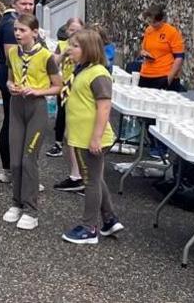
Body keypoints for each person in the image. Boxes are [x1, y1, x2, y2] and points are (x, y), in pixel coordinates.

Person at [61, 28, 124, 245]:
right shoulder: (83, 69)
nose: (71, 49)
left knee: (90, 181)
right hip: (81, 135)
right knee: (96, 178)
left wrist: (96, 138)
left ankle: (89, 227)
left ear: (89, 49)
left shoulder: (98, 74)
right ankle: (109, 219)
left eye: (76, 46)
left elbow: (104, 108)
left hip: (91, 138)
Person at [3, 13, 63, 231]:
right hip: (17, 105)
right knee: (16, 160)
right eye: (16, 30)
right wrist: (10, 85)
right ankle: (16, 203)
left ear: (34, 33)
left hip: (36, 107)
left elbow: (58, 86)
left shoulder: (46, 56)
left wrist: (38, 90)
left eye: (22, 30)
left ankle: (31, 209)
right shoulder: (12, 53)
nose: (18, 33)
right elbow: (11, 77)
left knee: (29, 159)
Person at [0, 0, 34, 183]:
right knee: (13, 122)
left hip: (12, 74)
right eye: (24, 4)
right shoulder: (12, 26)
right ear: (15, 3)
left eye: (31, 4)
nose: (28, 7)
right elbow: (13, 58)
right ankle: (9, 169)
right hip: (10, 75)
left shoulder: (17, 22)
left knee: (13, 121)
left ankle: (10, 169)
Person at [50, 19, 86, 185]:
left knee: (74, 132)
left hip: (77, 90)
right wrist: (63, 54)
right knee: (65, 124)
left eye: (77, 30)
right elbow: (53, 63)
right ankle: (75, 172)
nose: (74, 33)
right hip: (65, 87)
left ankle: (78, 174)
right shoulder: (63, 45)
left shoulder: (84, 48)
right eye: (71, 29)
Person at [137, 5, 185, 91]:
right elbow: (144, 49)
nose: (152, 24)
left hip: (163, 74)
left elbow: (179, 57)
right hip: (146, 74)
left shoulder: (171, 32)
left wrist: (169, 79)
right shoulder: (148, 30)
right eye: (150, 21)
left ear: (162, 19)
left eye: (155, 22)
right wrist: (144, 53)